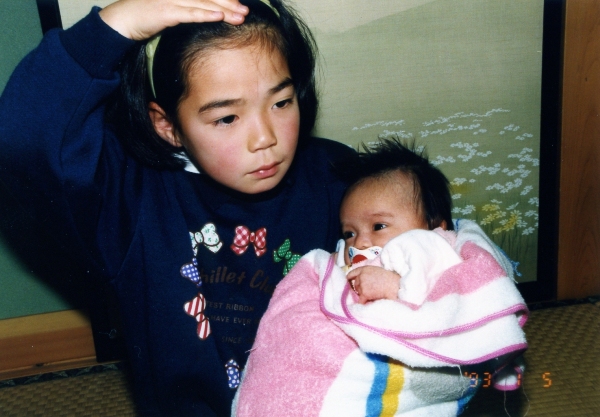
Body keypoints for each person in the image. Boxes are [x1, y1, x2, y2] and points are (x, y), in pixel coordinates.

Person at [0, 1, 354, 415]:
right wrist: (119, 23)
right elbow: (23, 135)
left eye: (281, 102)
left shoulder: (333, 177)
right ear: (167, 126)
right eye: (226, 118)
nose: (265, 138)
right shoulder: (130, 196)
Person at [233, 139, 528, 416]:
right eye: (349, 232)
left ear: (435, 226)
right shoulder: (346, 258)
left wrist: (394, 286)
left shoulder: (429, 245)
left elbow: (444, 295)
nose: (360, 242)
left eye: (378, 226)